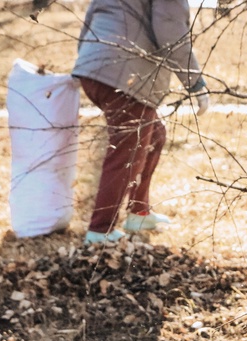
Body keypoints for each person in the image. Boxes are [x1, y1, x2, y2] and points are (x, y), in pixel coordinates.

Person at [72, 0, 210, 244]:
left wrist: (89, 60)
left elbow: (90, 19)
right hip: (126, 76)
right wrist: (195, 82)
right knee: (126, 152)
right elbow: (170, 32)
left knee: (154, 134)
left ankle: (139, 212)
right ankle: (100, 230)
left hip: (93, 67)